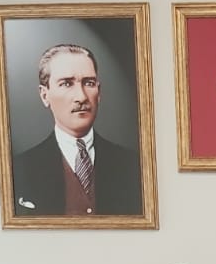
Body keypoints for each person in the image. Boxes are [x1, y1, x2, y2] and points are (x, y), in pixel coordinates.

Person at [10, 43, 143, 217]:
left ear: (99, 92)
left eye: (89, 83)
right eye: (66, 84)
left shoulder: (134, 165)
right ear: (44, 95)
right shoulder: (19, 170)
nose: (81, 97)